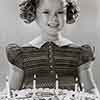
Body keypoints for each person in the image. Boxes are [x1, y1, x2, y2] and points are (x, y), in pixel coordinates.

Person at [4, 0, 100, 97]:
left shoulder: (79, 54)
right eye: (46, 12)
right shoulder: (21, 55)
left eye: (60, 12)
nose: (54, 18)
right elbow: (10, 92)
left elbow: (90, 89)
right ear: (33, 13)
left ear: (68, 13)